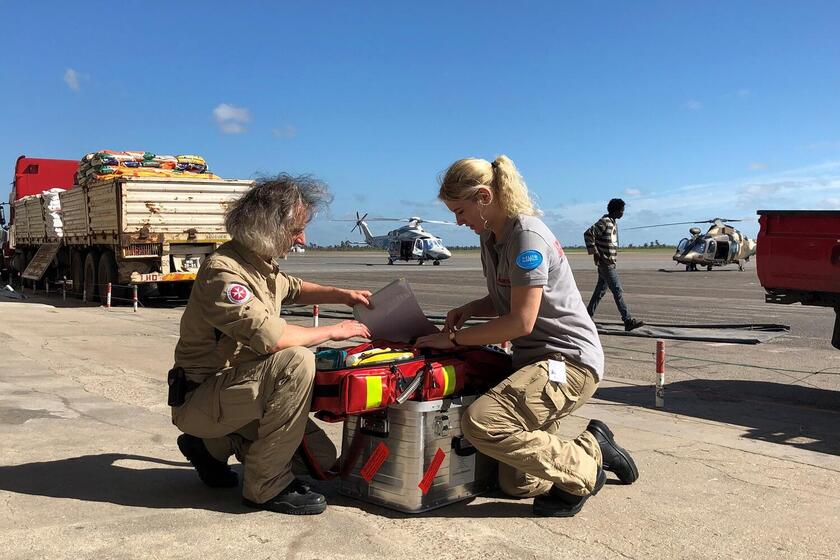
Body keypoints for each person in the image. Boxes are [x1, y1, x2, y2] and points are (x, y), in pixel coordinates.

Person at [416, 155, 638, 517]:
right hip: (533, 363)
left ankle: (585, 467)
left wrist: (455, 340)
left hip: (568, 363)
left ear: (484, 197)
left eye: (460, 210)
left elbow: (520, 321)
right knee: (517, 485)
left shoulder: (526, 237)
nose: (458, 220)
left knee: (482, 421)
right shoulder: (493, 238)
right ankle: (592, 444)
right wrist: (471, 308)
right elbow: (507, 296)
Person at [169, 174, 371, 515]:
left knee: (319, 461)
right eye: (295, 230)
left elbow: (292, 287)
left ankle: (211, 447)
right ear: (266, 227)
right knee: (296, 361)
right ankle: (265, 485)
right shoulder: (225, 273)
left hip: (237, 395)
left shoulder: (259, 264)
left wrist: (344, 294)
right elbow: (274, 339)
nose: (302, 238)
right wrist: (336, 330)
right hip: (202, 397)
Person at [584, 198, 645, 331]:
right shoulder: (605, 222)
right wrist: (594, 252)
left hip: (610, 262)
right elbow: (588, 234)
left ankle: (587, 317)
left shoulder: (612, 222)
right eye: (622, 210)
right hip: (606, 263)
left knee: (599, 292)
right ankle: (627, 320)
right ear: (616, 211)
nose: (623, 213)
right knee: (617, 290)